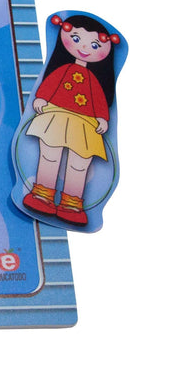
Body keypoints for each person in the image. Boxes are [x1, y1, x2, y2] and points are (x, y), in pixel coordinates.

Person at [23, 14, 119, 225]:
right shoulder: (63, 70)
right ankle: (42, 195)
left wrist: (102, 118)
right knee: (49, 155)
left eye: (94, 45)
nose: (84, 47)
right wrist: (42, 98)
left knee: (79, 164)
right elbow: (50, 84)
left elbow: (100, 100)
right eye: (76, 39)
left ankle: (72, 204)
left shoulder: (95, 80)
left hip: (84, 123)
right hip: (56, 115)